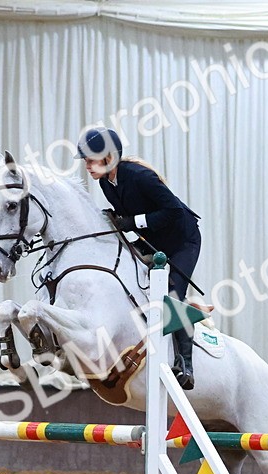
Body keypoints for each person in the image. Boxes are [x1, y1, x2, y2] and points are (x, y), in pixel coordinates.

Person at [75, 127, 201, 390]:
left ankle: (186, 363)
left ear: (108, 157)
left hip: (182, 241)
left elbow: (174, 212)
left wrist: (132, 221)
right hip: (153, 241)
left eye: (89, 159)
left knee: (173, 294)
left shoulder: (140, 176)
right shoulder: (105, 183)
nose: (86, 165)